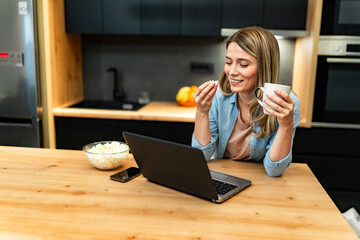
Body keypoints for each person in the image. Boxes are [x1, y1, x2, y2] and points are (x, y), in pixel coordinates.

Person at [191, 26, 300, 177]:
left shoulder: (286, 104)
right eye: (229, 62)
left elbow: (274, 170)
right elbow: (201, 156)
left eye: (243, 64)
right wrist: (202, 112)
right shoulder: (217, 95)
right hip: (219, 176)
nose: (232, 71)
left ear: (264, 67)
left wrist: (286, 126)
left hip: (259, 181)